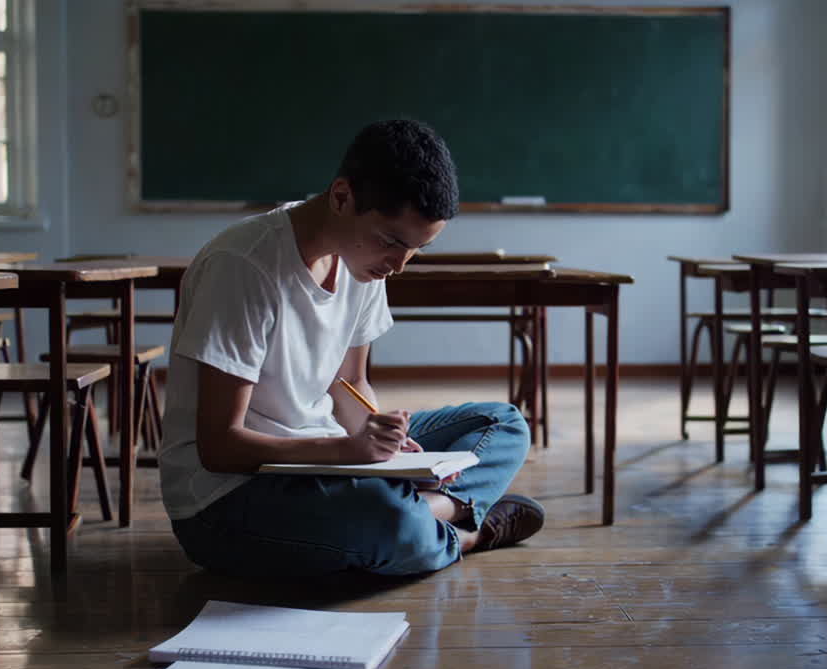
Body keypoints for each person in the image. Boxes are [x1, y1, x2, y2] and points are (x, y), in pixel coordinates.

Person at [159, 118, 544, 578]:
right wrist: (351, 453)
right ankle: (462, 529)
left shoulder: (363, 262)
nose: (398, 266)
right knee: (386, 517)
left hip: (325, 459)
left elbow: (350, 382)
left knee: (503, 424)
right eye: (392, 242)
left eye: (416, 250)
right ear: (342, 197)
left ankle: (426, 515)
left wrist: (387, 446)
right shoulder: (243, 265)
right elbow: (219, 448)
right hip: (226, 498)